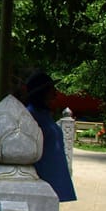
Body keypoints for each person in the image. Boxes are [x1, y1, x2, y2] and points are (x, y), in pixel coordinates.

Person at [24, 71, 77, 202]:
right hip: (41, 177)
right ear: (41, 93)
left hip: (54, 174)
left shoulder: (45, 114)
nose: (55, 93)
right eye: (51, 90)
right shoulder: (30, 115)